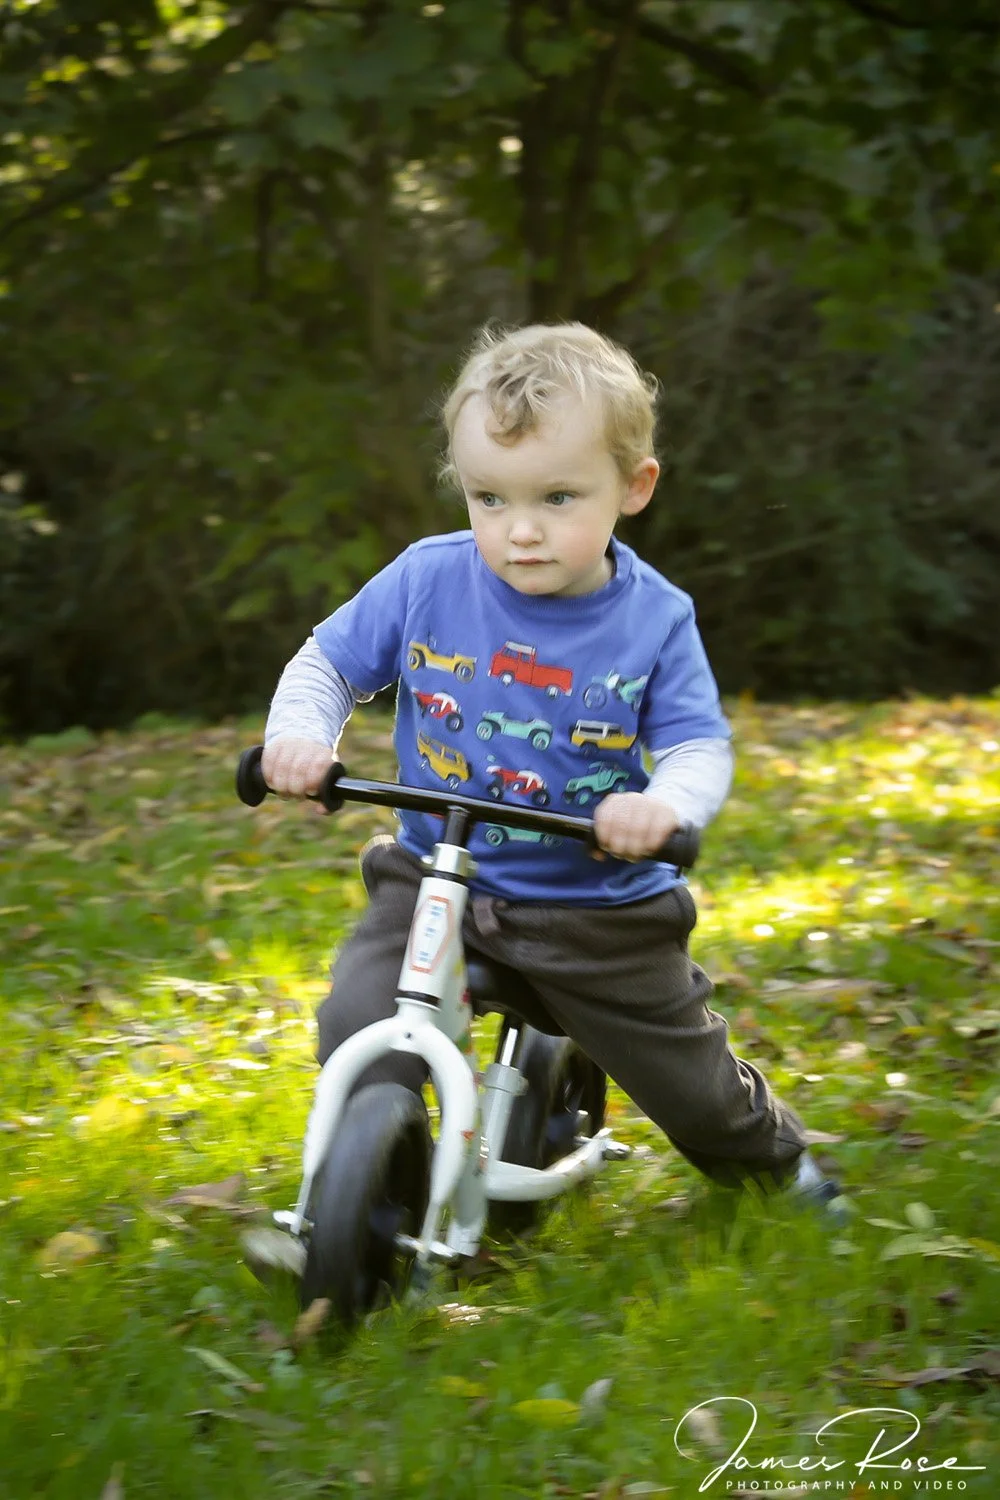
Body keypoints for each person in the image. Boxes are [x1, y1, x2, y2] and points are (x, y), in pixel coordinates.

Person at [262, 322, 843, 1213]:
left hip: (597, 909)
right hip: (433, 881)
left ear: (633, 487)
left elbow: (696, 742)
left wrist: (663, 805)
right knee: (358, 1024)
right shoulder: (428, 579)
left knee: (689, 1083)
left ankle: (775, 1165)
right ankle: (360, 1206)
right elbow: (329, 664)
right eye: (488, 499)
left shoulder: (655, 619)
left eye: (558, 498)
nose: (520, 531)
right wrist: (301, 735)